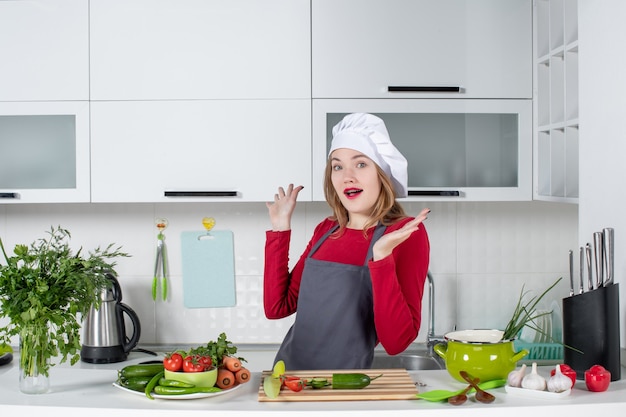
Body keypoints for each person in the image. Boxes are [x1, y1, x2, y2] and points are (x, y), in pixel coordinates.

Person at [263, 113, 430, 370]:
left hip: (346, 386)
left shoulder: (404, 234)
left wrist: (382, 258)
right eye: (337, 166)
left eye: (361, 164)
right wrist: (280, 230)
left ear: (382, 173)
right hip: (290, 378)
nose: (347, 177)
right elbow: (277, 307)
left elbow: (397, 342)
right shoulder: (326, 230)